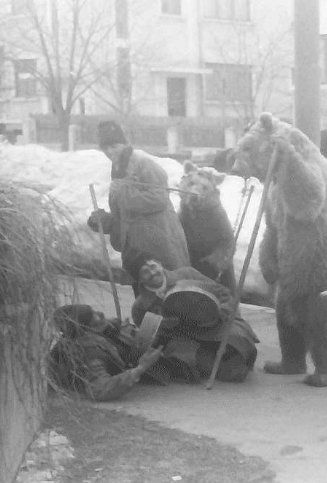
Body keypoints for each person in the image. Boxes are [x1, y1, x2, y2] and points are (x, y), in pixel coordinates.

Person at [87, 120, 190, 295]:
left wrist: (124, 195)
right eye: (105, 148)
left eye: (114, 145)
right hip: (137, 250)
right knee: (145, 300)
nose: (110, 152)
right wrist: (107, 221)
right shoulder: (118, 168)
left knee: (170, 297)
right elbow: (127, 212)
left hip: (160, 245)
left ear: (124, 143)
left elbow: (159, 198)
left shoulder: (144, 164)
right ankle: (148, 323)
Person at [130, 255, 258, 383]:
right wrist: (162, 326)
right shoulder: (140, 307)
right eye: (145, 272)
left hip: (212, 324)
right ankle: (221, 367)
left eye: (153, 267)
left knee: (237, 336)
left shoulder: (187, 274)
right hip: (182, 337)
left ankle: (233, 358)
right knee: (184, 355)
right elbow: (147, 339)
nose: (152, 273)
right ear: (140, 279)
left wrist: (218, 312)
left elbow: (223, 293)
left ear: (160, 264)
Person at [49, 304, 166, 401]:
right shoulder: (90, 351)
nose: (100, 314)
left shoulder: (104, 329)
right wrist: (141, 367)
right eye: (93, 315)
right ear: (88, 329)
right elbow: (99, 389)